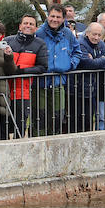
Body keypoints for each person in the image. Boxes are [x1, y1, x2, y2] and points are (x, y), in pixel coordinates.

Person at [33, 8, 75, 136]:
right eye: (52, 16)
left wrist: (70, 64)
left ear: (63, 19)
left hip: (58, 83)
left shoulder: (68, 34)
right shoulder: (39, 33)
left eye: (58, 17)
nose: (54, 20)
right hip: (40, 84)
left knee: (58, 117)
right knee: (40, 118)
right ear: (47, 16)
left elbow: (77, 52)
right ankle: (38, 145)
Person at [5, 15, 48, 138]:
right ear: (20, 26)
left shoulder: (40, 44)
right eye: (25, 23)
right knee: (3, 125)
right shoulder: (8, 40)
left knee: (20, 126)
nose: (28, 26)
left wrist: (21, 71)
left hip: (23, 92)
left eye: (31, 24)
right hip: (5, 90)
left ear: (35, 28)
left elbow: (42, 67)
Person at [70, 21, 105, 133]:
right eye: (94, 34)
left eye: (99, 35)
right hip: (77, 88)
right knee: (77, 120)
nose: (96, 37)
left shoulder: (101, 44)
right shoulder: (80, 43)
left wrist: (96, 60)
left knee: (88, 120)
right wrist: (100, 60)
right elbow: (86, 63)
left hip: (92, 88)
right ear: (87, 33)